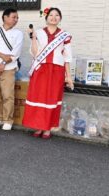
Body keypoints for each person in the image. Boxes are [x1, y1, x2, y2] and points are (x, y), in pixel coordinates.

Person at [23, 7, 74, 138]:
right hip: (41, 69)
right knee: (38, 97)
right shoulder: (39, 32)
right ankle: (38, 126)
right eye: (51, 15)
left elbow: (67, 57)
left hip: (56, 70)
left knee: (51, 98)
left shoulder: (65, 35)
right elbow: (34, 53)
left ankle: (47, 128)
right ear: (46, 17)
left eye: (57, 15)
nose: (54, 17)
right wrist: (33, 37)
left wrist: (68, 76)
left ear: (60, 18)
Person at [0, 7, 23, 131]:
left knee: (7, 94)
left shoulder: (18, 34)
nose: (16, 19)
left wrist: (3, 63)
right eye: (13, 17)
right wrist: (2, 56)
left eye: (17, 18)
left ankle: (8, 120)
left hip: (9, 68)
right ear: (5, 17)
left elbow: (16, 52)